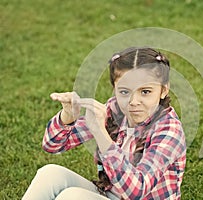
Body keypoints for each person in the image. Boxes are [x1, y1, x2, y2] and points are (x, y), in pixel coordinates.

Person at [22, 47, 186, 200]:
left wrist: (101, 133)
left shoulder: (169, 130)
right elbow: (52, 146)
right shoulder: (115, 109)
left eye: (145, 92)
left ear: (163, 90)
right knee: (50, 173)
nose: (133, 101)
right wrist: (68, 116)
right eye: (124, 91)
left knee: (72, 196)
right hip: (110, 195)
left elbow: (137, 190)